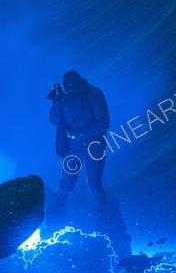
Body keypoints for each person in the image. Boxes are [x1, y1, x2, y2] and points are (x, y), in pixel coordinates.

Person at [47, 71, 130, 254]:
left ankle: (102, 222)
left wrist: (81, 135)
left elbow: (103, 122)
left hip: (94, 145)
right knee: (65, 185)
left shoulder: (93, 93)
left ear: (79, 82)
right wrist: (55, 102)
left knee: (93, 182)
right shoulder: (64, 99)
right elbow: (54, 120)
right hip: (72, 147)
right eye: (66, 85)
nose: (69, 88)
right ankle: (53, 223)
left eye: (72, 84)